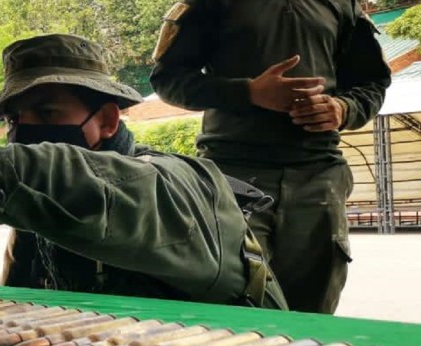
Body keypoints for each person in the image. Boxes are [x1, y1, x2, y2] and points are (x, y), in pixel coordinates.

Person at [0, 33, 286, 310]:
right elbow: (24, 298)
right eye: (16, 120)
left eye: (46, 110)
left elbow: (99, 189)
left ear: (108, 121)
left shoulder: (178, 185)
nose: (25, 131)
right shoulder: (40, 209)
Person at [150, 0, 390, 313]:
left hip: (319, 175)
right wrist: (248, 92)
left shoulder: (343, 4)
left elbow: (371, 81)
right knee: (229, 305)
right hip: (232, 176)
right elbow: (168, 79)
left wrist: (343, 109)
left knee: (313, 314)